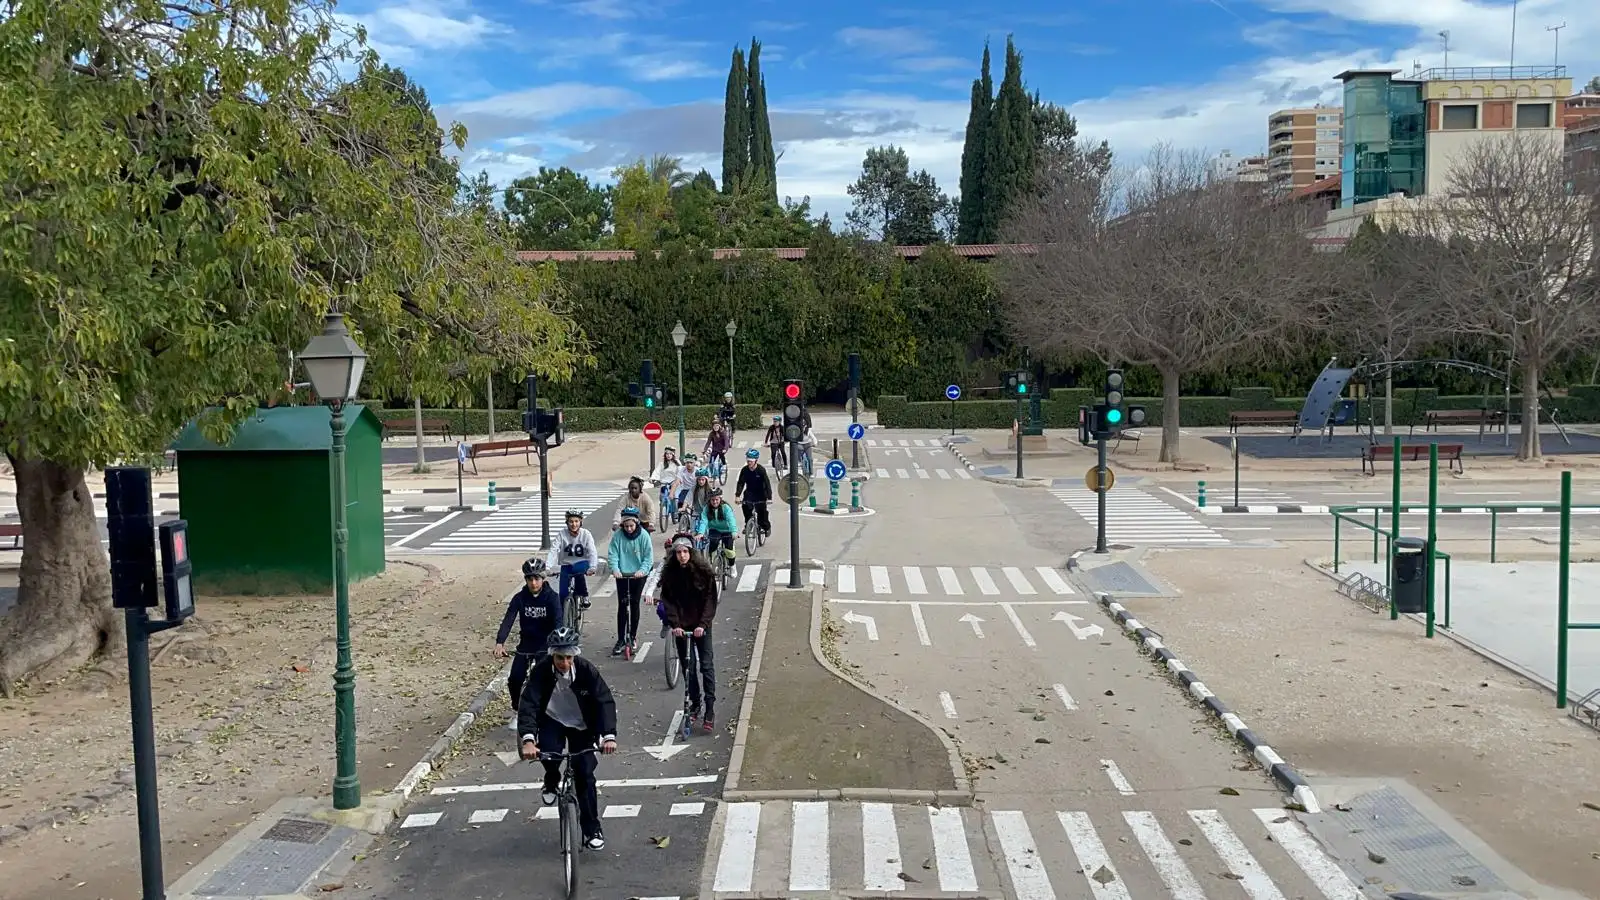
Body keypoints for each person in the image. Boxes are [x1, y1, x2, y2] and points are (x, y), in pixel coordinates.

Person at [517, 627, 618, 851]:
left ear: (575, 655)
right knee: (549, 754)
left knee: (585, 774)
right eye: (559, 658)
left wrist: (608, 735)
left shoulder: (586, 670)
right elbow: (529, 704)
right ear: (552, 655)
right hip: (552, 719)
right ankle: (551, 780)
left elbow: (604, 701)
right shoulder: (541, 671)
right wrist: (528, 740)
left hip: (581, 724)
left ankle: (592, 829)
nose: (564, 663)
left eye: (569, 658)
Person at [658, 537, 719, 732]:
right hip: (682, 628)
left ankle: (710, 708)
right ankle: (695, 703)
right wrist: (675, 624)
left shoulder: (704, 573)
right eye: (678, 552)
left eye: (685, 552)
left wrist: (703, 624)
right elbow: (668, 601)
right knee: (688, 667)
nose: (682, 556)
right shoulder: (671, 574)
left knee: (706, 666)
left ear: (691, 553)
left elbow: (710, 600)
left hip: (701, 625)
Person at [494, 558, 563, 726]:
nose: (533, 583)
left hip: (546, 645)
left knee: (545, 679)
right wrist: (500, 642)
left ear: (543, 578)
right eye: (529, 579)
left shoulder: (552, 598)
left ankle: (548, 711)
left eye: (537, 578)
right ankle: (517, 710)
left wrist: (557, 645)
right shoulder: (520, 598)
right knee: (515, 679)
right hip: (526, 644)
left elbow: (558, 622)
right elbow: (509, 619)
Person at [606, 507, 655, 657]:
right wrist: (615, 569)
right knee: (622, 605)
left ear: (636, 523)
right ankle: (621, 639)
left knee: (634, 603)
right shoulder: (618, 536)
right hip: (622, 574)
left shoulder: (644, 536)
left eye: (631, 526)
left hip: (638, 574)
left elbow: (648, 557)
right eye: (626, 526)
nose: (628, 529)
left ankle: (632, 636)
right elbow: (613, 554)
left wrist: (642, 570)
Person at [556, 510, 597, 610]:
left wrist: (592, 567)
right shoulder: (562, 534)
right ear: (567, 522)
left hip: (582, 562)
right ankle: (565, 617)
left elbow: (592, 551)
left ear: (580, 522)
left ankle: (584, 596)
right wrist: (548, 567)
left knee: (578, 572)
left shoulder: (586, 534)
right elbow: (553, 550)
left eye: (576, 521)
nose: (574, 524)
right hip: (566, 565)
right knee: (562, 594)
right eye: (571, 521)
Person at [694, 487, 739, 573]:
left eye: (716, 499)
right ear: (709, 500)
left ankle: (732, 566)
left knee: (729, 551)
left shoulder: (726, 508)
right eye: (712, 500)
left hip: (727, 530)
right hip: (714, 530)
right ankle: (713, 561)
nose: (714, 502)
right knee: (712, 545)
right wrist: (700, 533)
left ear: (720, 499)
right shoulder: (706, 509)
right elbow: (704, 521)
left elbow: (731, 520)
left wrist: (734, 531)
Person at [734, 448, 772, 538]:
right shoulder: (744, 470)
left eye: (751, 461)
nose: (749, 463)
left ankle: (766, 527)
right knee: (745, 507)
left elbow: (767, 484)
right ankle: (749, 524)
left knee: (762, 513)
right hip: (749, 492)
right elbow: (741, 483)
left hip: (761, 493)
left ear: (755, 461)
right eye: (748, 461)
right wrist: (737, 495)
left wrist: (769, 498)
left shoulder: (761, 470)